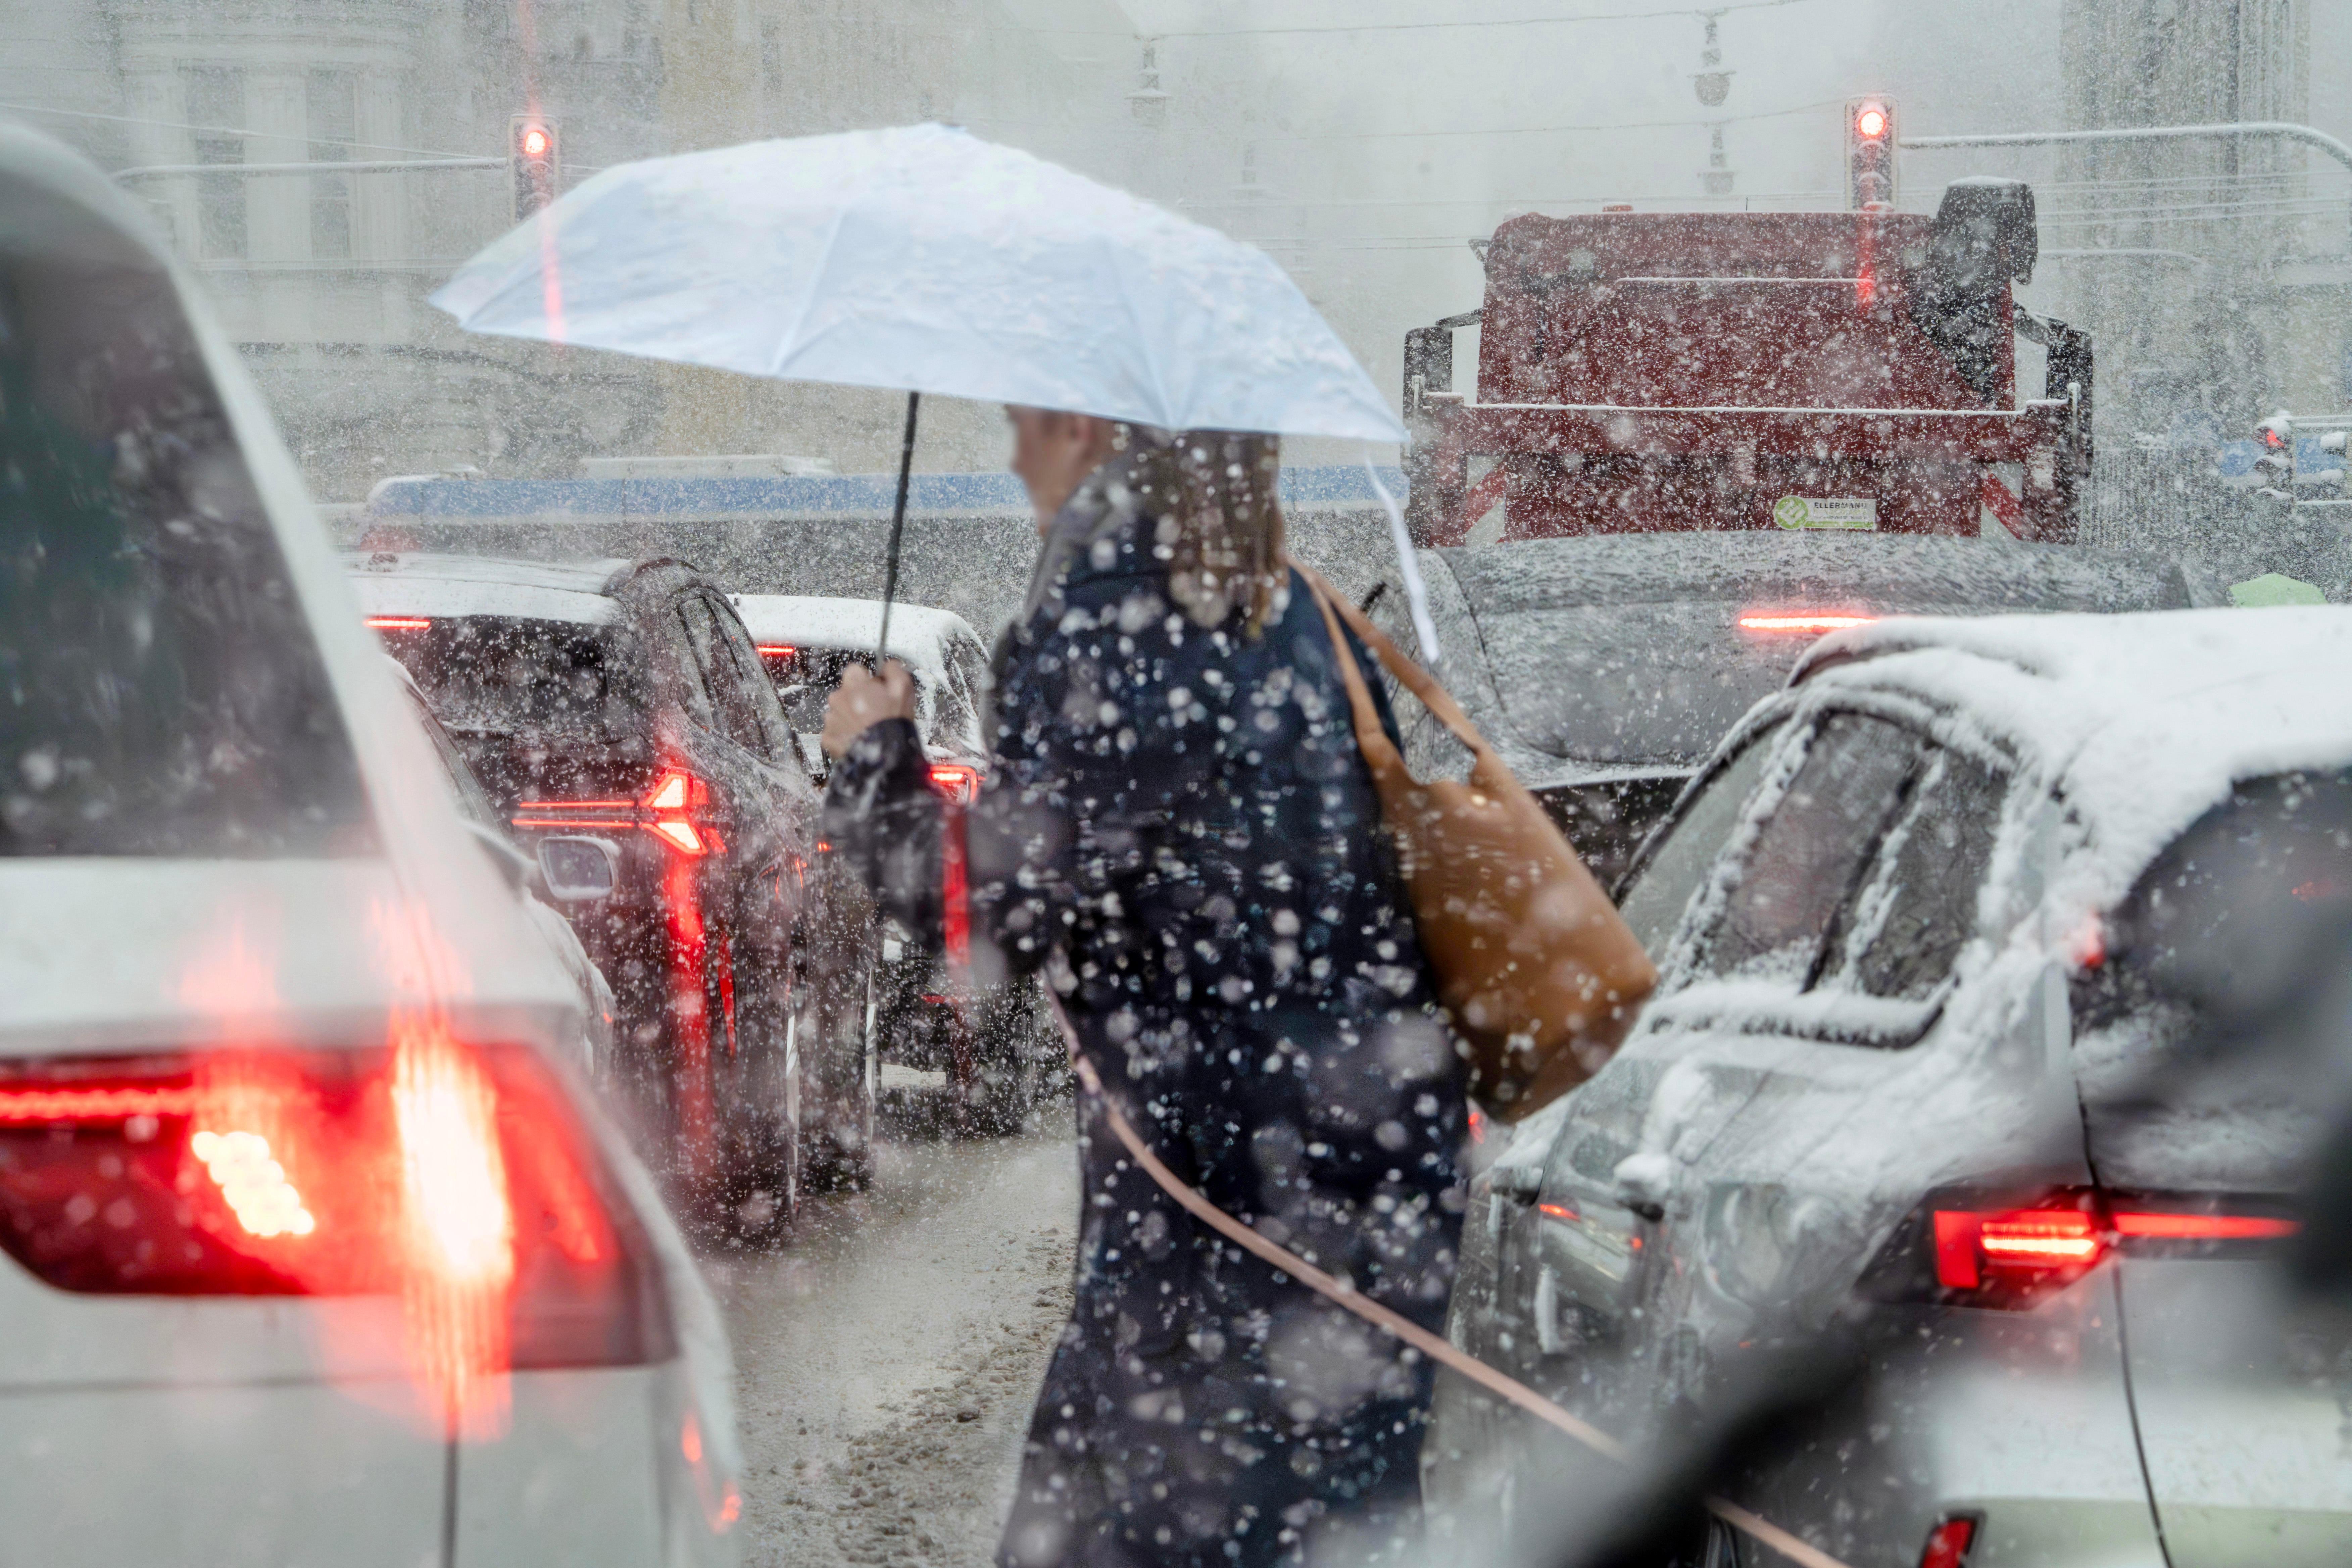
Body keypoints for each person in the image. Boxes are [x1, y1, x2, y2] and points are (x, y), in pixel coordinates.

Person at [820, 409, 1468, 1568]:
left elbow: (991, 908)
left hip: (1215, 1201)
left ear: (1085, 428)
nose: (1015, 455)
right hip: (1368, 1181)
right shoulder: (1302, 616)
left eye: (1024, 423)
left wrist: (877, 759)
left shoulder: (1113, 624)